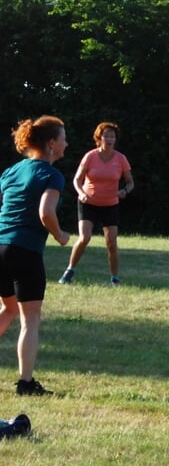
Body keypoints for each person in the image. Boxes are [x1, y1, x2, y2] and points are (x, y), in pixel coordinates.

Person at [0, 116, 72, 395]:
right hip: (24, 251)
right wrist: (60, 235)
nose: (66, 144)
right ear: (52, 144)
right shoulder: (51, 175)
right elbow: (46, 212)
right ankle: (26, 383)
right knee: (30, 319)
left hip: (1, 246)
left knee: (8, 308)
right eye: (63, 138)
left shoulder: (11, 171)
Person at [58, 122, 134, 286]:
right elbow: (77, 180)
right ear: (99, 138)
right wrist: (82, 193)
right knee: (85, 237)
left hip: (110, 204)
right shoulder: (90, 156)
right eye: (106, 135)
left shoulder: (121, 159)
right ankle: (69, 271)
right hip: (88, 203)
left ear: (115, 139)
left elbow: (130, 183)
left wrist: (125, 191)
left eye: (112, 136)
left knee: (111, 242)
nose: (109, 139)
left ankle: (115, 278)